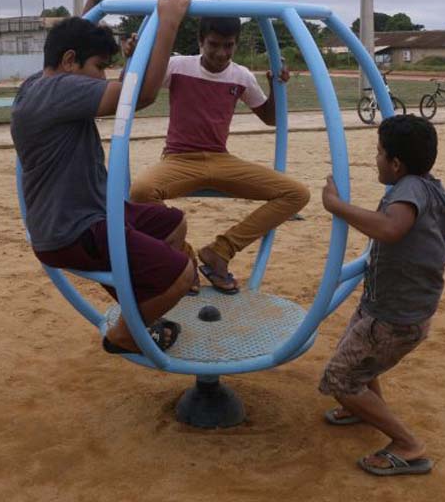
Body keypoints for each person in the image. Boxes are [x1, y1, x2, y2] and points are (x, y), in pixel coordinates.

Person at [11, 0, 194, 355]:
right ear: (70, 62)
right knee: (182, 275)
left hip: (85, 214)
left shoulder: (36, 84)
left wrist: (90, 14)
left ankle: (139, 298)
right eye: (99, 67)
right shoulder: (59, 90)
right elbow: (139, 95)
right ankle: (125, 335)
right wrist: (168, 24)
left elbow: (67, 52)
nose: (102, 78)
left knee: (173, 225)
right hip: (74, 230)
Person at [128, 15, 310, 294]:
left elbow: (271, 119)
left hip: (220, 158)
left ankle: (220, 251)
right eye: (213, 44)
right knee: (140, 191)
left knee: (296, 193)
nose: (221, 53)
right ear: (200, 41)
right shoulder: (178, 67)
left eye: (229, 45)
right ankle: (184, 258)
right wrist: (135, 58)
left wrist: (277, 86)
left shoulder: (241, 76)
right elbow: (138, 90)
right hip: (180, 158)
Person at [319, 114, 445, 476]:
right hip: (394, 306)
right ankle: (362, 408)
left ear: (396, 163)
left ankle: (407, 445)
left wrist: (336, 206)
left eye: (379, 153)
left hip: (394, 317)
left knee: (340, 379)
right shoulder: (433, 188)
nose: (375, 158)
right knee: (362, 360)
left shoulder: (408, 189)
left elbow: (391, 228)